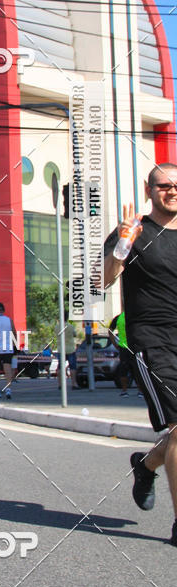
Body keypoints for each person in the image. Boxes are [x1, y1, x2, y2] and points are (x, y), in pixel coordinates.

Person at [103, 162, 177, 547]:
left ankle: (146, 466)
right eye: (163, 185)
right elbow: (102, 279)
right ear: (149, 191)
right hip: (151, 340)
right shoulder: (134, 230)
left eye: (176, 185)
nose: (171, 191)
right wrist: (122, 245)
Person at [108, 312, 133, 397]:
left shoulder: (119, 317)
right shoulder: (135, 314)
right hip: (132, 347)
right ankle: (139, 392)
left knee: (124, 370)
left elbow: (110, 331)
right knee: (135, 370)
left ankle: (124, 391)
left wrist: (115, 344)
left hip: (124, 347)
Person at [54, 312, 79, 390]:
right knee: (72, 367)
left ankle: (60, 384)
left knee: (60, 367)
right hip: (70, 349)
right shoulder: (71, 326)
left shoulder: (57, 327)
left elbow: (56, 335)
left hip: (61, 349)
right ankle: (74, 384)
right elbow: (75, 334)